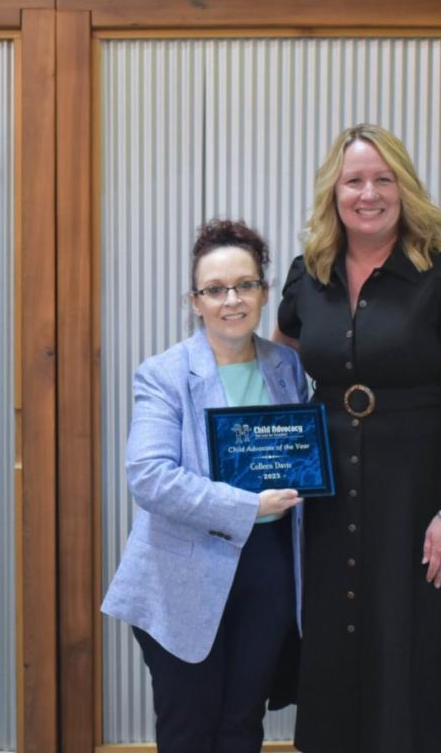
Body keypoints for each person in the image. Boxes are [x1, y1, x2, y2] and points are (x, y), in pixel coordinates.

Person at [276, 125, 441, 752]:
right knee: (339, 638)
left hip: (418, 498)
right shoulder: (308, 274)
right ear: (334, 191)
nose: (368, 193)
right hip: (329, 498)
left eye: (383, 179)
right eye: (354, 180)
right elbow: (281, 371)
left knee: (413, 640)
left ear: (404, 187)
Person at [102, 219, 309, 753]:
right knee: (189, 729)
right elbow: (149, 477)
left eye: (245, 285)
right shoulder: (164, 373)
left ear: (264, 291)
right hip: (183, 573)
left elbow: (299, 451)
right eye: (215, 290)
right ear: (195, 302)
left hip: (268, 567)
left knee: (243, 722)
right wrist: (247, 505)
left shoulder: (286, 366)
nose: (231, 300)